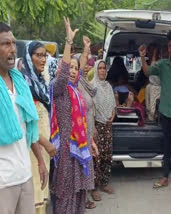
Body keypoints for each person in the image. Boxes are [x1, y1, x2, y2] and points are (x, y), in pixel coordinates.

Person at [0, 22, 48, 214]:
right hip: (3, 182)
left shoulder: (19, 81)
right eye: (5, 44)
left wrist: (40, 161)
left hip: (24, 175)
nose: (12, 49)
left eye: (13, 43)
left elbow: (28, 127)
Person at [50, 17, 96, 214]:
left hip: (81, 148)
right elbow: (64, 72)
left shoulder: (76, 90)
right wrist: (69, 41)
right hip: (67, 152)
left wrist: (90, 141)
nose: (72, 71)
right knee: (66, 194)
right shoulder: (58, 88)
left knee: (79, 193)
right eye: (69, 68)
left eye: (75, 69)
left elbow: (82, 122)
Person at [139, 30, 171, 195]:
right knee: (166, 147)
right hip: (165, 113)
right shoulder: (162, 65)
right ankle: (165, 177)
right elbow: (147, 72)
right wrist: (142, 57)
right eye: (169, 46)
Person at [21, 41, 57, 214]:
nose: (43, 59)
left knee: (42, 189)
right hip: (32, 146)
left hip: (44, 148)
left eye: (45, 55)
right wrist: (46, 143)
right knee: (34, 189)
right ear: (29, 56)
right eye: (38, 55)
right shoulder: (23, 83)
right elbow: (26, 121)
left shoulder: (41, 82)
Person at [77, 36, 100, 210]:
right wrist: (86, 48)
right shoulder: (75, 83)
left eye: (88, 64)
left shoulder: (87, 83)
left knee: (88, 164)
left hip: (90, 129)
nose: (86, 67)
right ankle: (81, 199)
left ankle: (85, 196)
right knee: (81, 165)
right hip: (79, 132)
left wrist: (93, 132)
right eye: (83, 65)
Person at [91, 59, 116, 200]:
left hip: (107, 125)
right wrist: (93, 126)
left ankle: (104, 183)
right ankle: (94, 187)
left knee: (107, 155)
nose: (102, 71)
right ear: (96, 70)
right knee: (96, 156)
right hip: (96, 125)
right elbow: (91, 108)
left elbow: (112, 104)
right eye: (99, 68)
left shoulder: (108, 86)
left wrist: (112, 115)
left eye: (104, 68)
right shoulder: (92, 87)